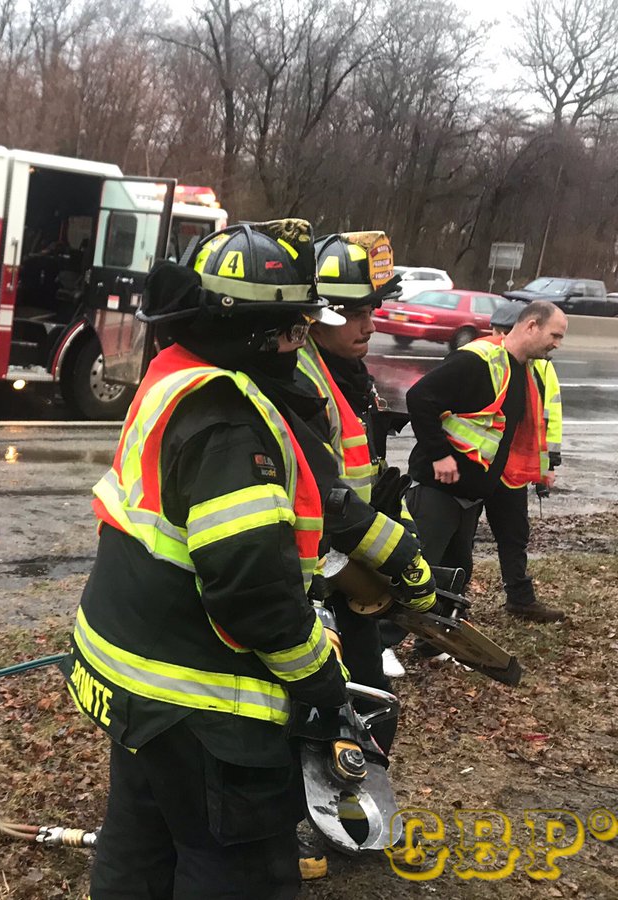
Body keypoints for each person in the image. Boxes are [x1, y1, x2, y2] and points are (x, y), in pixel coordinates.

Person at [61, 220, 434, 899]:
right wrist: (322, 681)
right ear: (262, 333)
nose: (300, 341)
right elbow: (253, 596)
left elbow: (314, 505)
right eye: (293, 328)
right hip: (205, 709)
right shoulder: (232, 421)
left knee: (138, 850)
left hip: (135, 685)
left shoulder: (177, 373)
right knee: (236, 870)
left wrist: (396, 549)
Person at [296, 231, 413, 741]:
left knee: (370, 701)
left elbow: (362, 475)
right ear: (317, 314)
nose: (370, 324)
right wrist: (393, 556)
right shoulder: (301, 380)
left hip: (351, 557)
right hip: (315, 572)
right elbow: (314, 496)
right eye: (355, 312)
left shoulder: (348, 371)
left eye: (374, 309)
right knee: (325, 706)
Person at [404, 299, 567, 622]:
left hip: (473, 491)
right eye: (555, 335)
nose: (558, 344)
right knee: (417, 566)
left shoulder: (526, 369)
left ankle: (435, 642)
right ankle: (383, 644)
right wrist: (439, 455)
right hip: (440, 486)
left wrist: (542, 468)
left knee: (457, 570)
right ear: (531, 325)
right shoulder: (479, 362)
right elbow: (419, 397)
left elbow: (521, 431)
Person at [480, 301, 565, 621]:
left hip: (513, 468)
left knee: (514, 535)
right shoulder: (480, 356)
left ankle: (520, 598)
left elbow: (548, 417)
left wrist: (547, 465)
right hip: (478, 465)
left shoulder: (541, 367)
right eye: (496, 331)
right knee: (455, 543)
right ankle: (446, 604)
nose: (497, 336)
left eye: (501, 331)